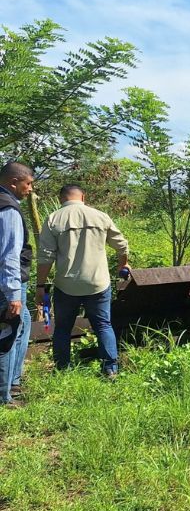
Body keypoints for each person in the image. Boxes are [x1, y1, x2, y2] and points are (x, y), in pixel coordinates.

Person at [36, 184, 130, 378]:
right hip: (98, 283)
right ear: (83, 197)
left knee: (63, 328)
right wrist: (123, 265)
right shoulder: (100, 216)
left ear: (61, 199)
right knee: (103, 325)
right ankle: (110, 369)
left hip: (66, 285)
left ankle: (62, 369)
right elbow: (122, 245)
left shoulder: (53, 218)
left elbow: (45, 257)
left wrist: (40, 286)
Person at [0, 161, 34, 407]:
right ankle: (4, 396)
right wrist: (13, 293)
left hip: (8, 281)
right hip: (8, 283)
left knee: (24, 323)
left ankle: (13, 381)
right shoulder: (9, 208)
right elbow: (9, 255)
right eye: (28, 183)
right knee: (8, 333)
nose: (30, 189)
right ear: (14, 182)